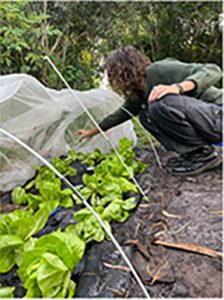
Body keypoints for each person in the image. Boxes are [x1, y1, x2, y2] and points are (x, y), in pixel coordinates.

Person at [77, 45, 222, 176]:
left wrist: (177, 88)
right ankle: (194, 153)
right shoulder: (140, 93)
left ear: (123, 69)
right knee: (146, 116)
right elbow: (121, 114)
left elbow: (213, 70)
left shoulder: (157, 70)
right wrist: (90, 132)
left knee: (161, 104)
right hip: (208, 125)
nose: (113, 80)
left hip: (218, 115)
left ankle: (205, 155)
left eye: (113, 74)